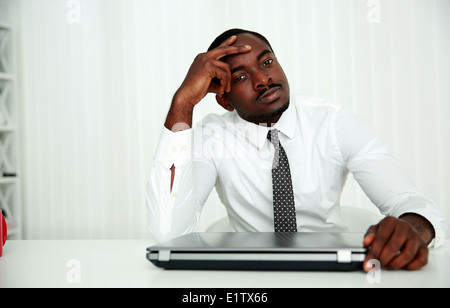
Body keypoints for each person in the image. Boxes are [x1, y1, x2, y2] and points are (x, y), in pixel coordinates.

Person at [146, 28, 446, 272]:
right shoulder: (213, 135)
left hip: (335, 273)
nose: (263, 79)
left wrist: (415, 227)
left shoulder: (332, 122)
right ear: (225, 101)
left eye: (266, 63)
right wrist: (182, 103)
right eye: (240, 77)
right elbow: (168, 231)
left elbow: (408, 200)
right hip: (251, 277)